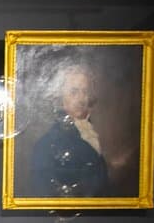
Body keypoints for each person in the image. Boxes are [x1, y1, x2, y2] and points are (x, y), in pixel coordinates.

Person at [28, 65, 109, 197]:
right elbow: (44, 195)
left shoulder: (92, 132)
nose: (81, 98)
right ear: (61, 98)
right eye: (74, 92)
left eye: (85, 91)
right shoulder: (45, 145)